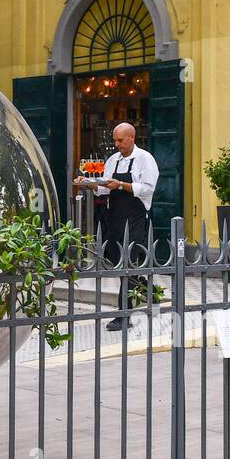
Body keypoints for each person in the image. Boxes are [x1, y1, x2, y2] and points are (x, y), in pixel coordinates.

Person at [73, 122, 161, 331]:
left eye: (120, 140)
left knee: (128, 265)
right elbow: (105, 189)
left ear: (132, 137)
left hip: (136, 217)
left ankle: (123, 316)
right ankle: (151, 294)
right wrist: (89, 184)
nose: (116, 144)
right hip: (115, 218)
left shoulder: (145, 159)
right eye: (115, 140)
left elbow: (148, 188)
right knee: (118, 261)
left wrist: (121, 185)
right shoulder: (113, 160)